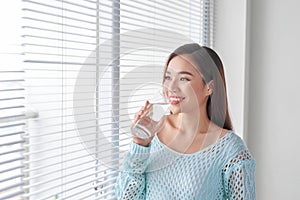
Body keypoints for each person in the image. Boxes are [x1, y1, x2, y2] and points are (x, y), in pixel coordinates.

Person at [115, 43, 256, 199]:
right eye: (168, 77)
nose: (171, 87)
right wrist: (139, 145)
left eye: (184, 78)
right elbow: (124, 197)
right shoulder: (151, 134)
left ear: (209, 87)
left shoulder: (230, 150)